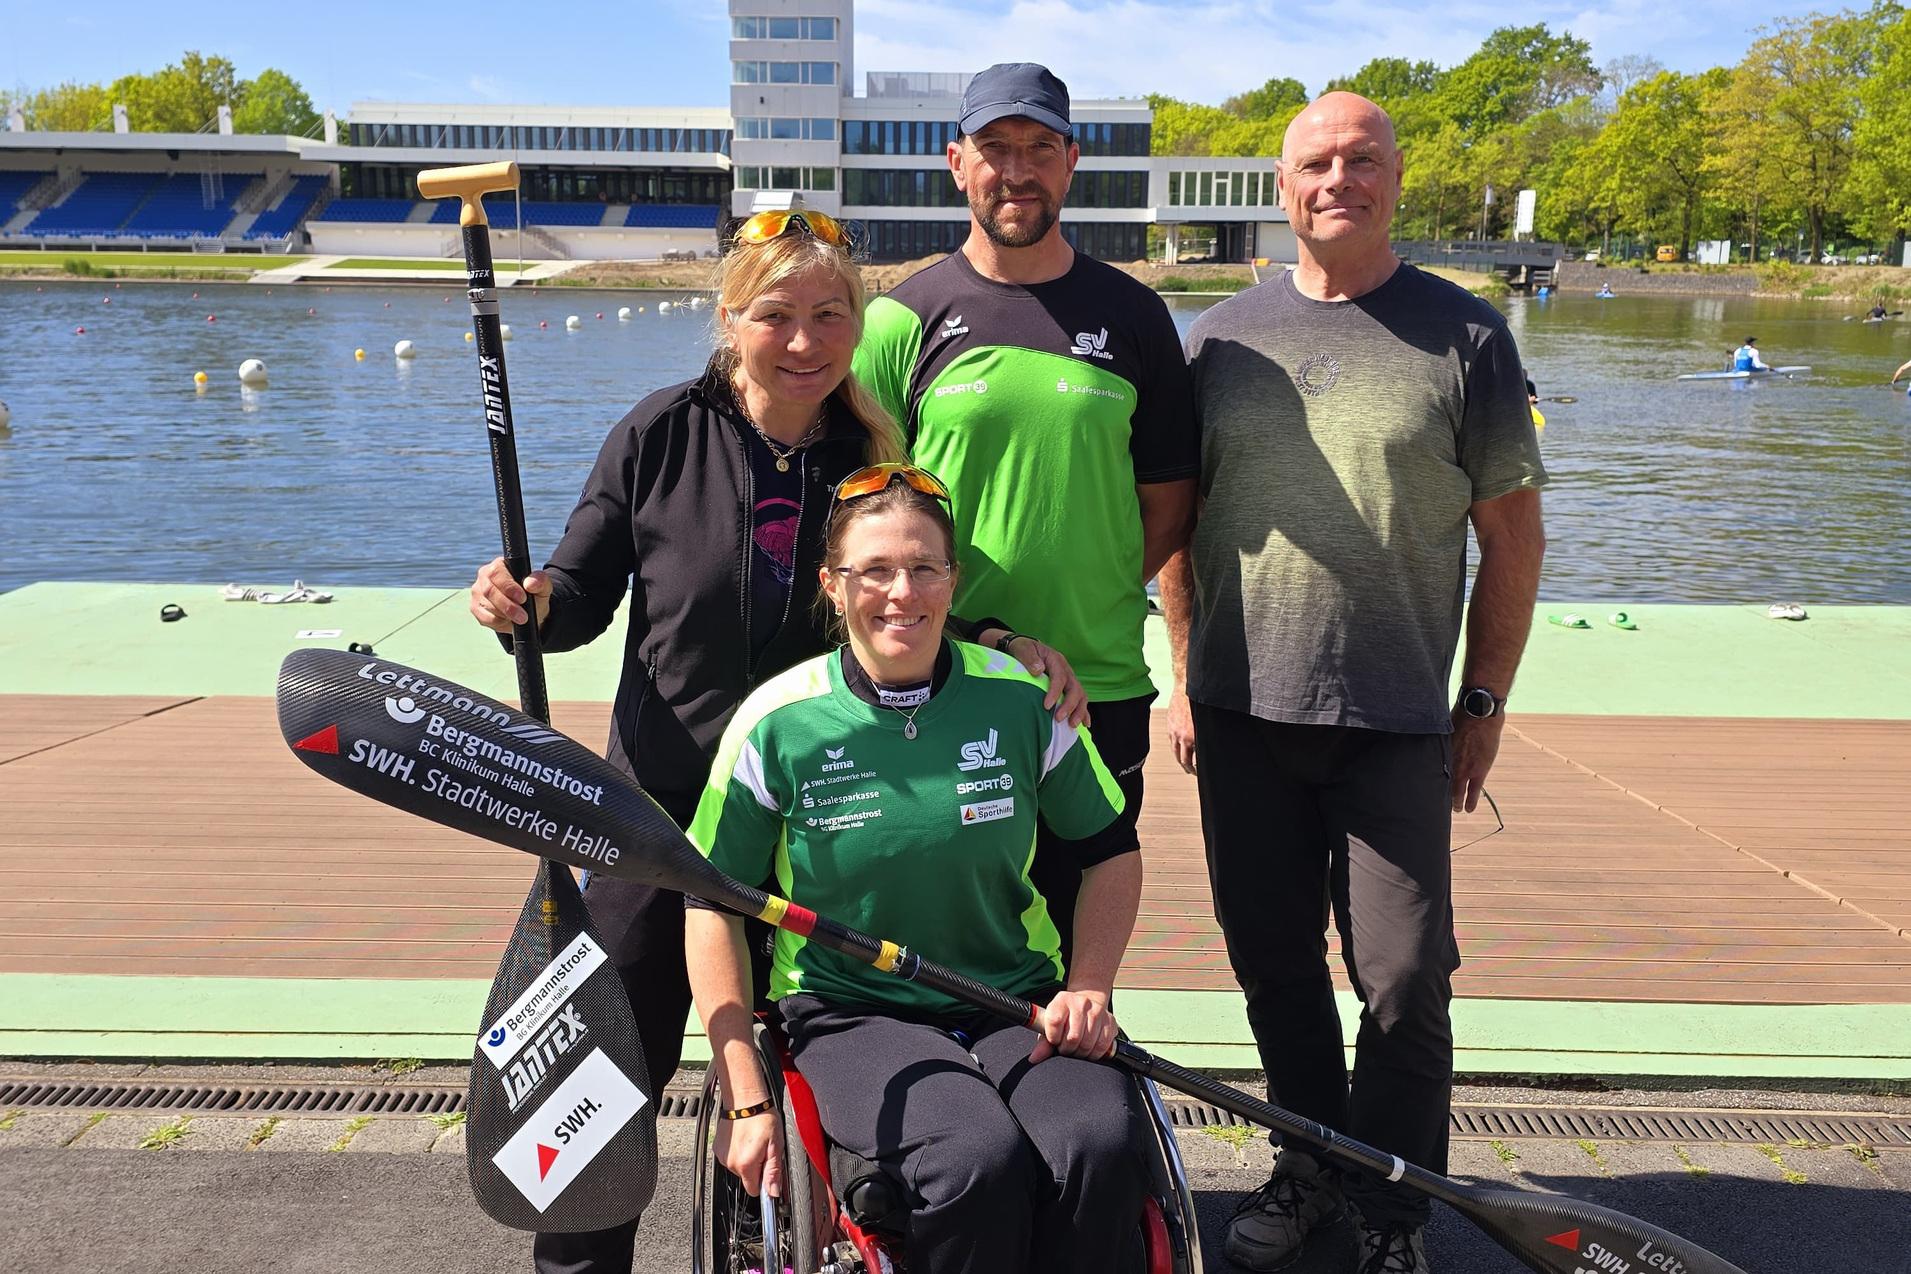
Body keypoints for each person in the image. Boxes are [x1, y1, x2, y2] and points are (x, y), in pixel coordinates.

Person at [467, 210, 1082, 1274]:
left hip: (818, 819)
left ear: (857, 319)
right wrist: (529, 601)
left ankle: (763, 1248)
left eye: (830, 313)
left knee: (768, 1062)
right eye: (777, 315)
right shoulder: (662, 432)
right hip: (656, 821)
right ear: (729, 319)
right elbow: (580, 588)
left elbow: (900, 600)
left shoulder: (870, 448)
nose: (805, 340)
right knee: (615, 1065)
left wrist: (1003, 642)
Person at [1159, 92, 1547, 1274]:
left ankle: (1393, 1207)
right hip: (1238, 708)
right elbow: (1177, 524)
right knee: (1273, 961)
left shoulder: (1466, 335)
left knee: (1403, 974)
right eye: (1315, 162)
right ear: (1282, 188)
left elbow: (1513, 537)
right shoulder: (1219, 338)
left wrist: (1482, 701)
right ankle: (1310, 1161)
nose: (1339, 179)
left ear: (1394, 179)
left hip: (1392, 717)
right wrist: (1183, 674)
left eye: (1361, 159)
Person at [685, 466, 1148, 1274]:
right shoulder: (775, 723)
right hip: (851, 1010)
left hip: (1013, 1001)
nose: (901, 593)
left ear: (952, 580)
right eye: (874, 571)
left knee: (1097, 1144)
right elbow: (709, 903)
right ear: (833, 586)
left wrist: (1091, 988)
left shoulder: (1020, 698)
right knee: (971, 1157)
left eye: (923, 567)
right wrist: (746, 1095)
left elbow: (1111, 853)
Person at [854, 62, 1198, 949]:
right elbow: (863, 516)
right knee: (949, 929)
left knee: (1083, 927)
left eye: (1039, 148)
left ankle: (1075, 1088)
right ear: (955, 162)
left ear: (1071, 162)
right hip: (945, 679)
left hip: (1099, 680)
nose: (1017, 170)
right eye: (995, 148)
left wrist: (1094, 580)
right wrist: (974, 631)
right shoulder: (903, 320)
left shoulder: (1134, 315)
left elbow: (1167, 504)